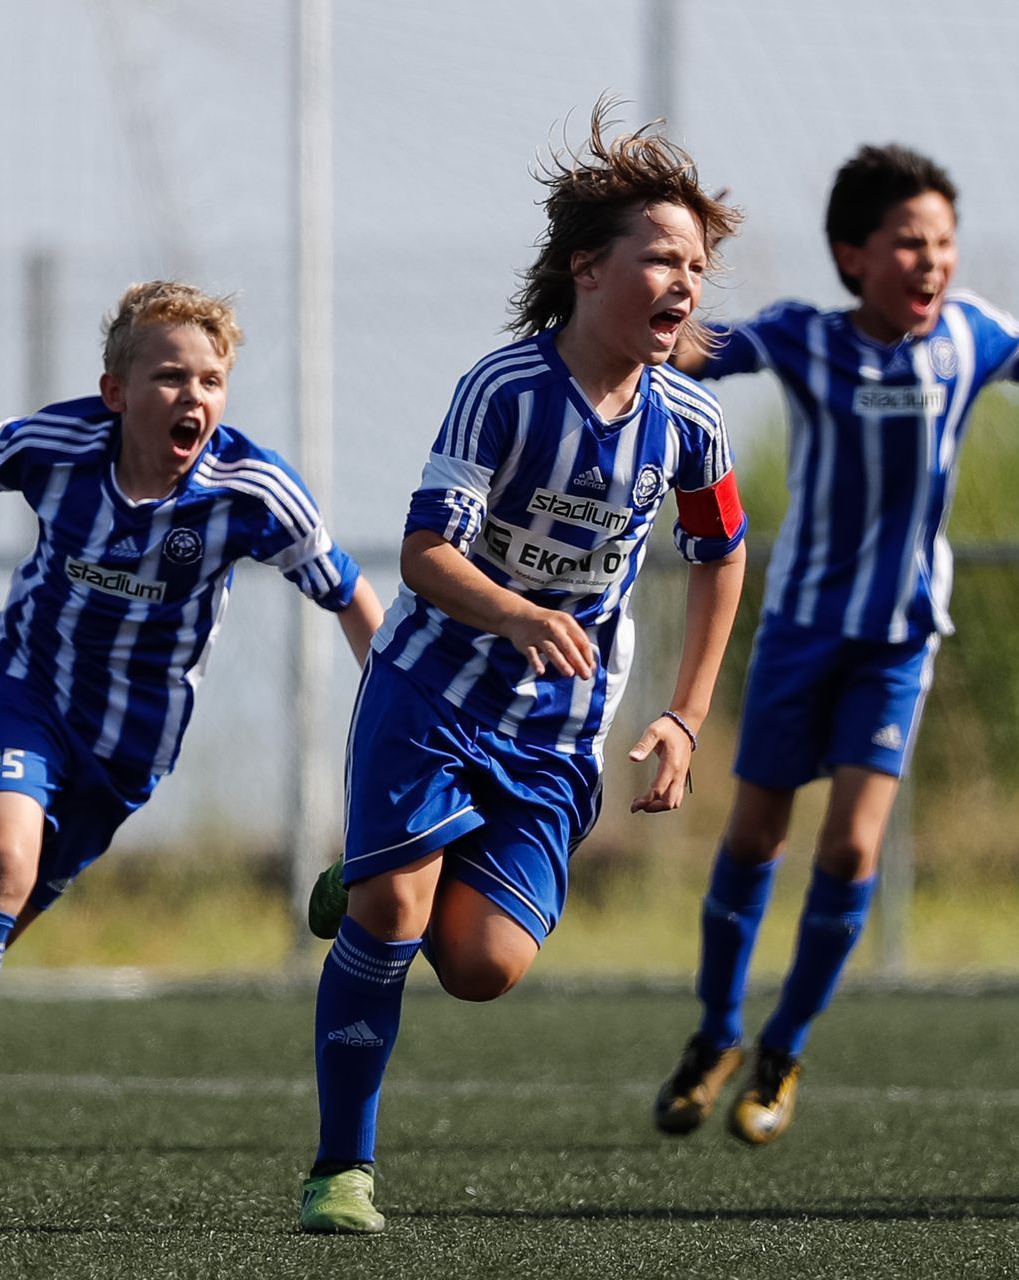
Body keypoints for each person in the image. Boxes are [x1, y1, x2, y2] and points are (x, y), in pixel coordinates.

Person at [652, 144, 1019, 1147]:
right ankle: (716, 1033)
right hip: (801, 631)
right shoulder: (803, 338)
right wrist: (628, 281)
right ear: (851, 254)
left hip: (898, 641)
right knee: (753, 839)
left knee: (855, 842)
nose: (932, 260)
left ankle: (782, 1047)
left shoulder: (972, 337)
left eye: (944, 241)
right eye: (910, 241)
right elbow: (682, 349)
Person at [0, 280, 384, 1198]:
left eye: (211, 379)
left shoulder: (253, 489)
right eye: (167, 376)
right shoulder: (58, 445)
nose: (191, 397)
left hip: (129, 751)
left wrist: (392, 702)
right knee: (0, 864)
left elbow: (351, 596)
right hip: (26, 695)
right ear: (115, 391)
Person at [297, 104, 748, 1234]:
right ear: (588, 268)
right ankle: (338, 1169)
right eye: (660, 255)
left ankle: (369, 871)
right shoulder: (503, 389)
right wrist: (515, 612)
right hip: (434, 686)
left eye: (697, 263)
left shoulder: (691, 422)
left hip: (556, 724)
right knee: (393, 918)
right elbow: (423, 553)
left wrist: (687, 717)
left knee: (486, 963)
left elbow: (722, 555)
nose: (683, 279)